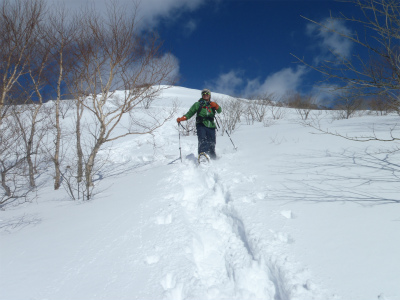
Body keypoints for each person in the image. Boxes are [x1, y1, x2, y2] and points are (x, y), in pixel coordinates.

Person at [177, 88, 222, 160]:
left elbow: (219, 111)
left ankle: (212, 157)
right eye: (203, 94)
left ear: (209, 95)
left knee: (212, 142)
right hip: (201, 124)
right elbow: (190, 113)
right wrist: (183, 118)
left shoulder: (212, 104)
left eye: (207, 93)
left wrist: (216, 106)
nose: (205, 95)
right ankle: (202, 155)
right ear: (202, 95)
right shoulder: (198, 104)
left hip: (211, 126)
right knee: (203, 140)